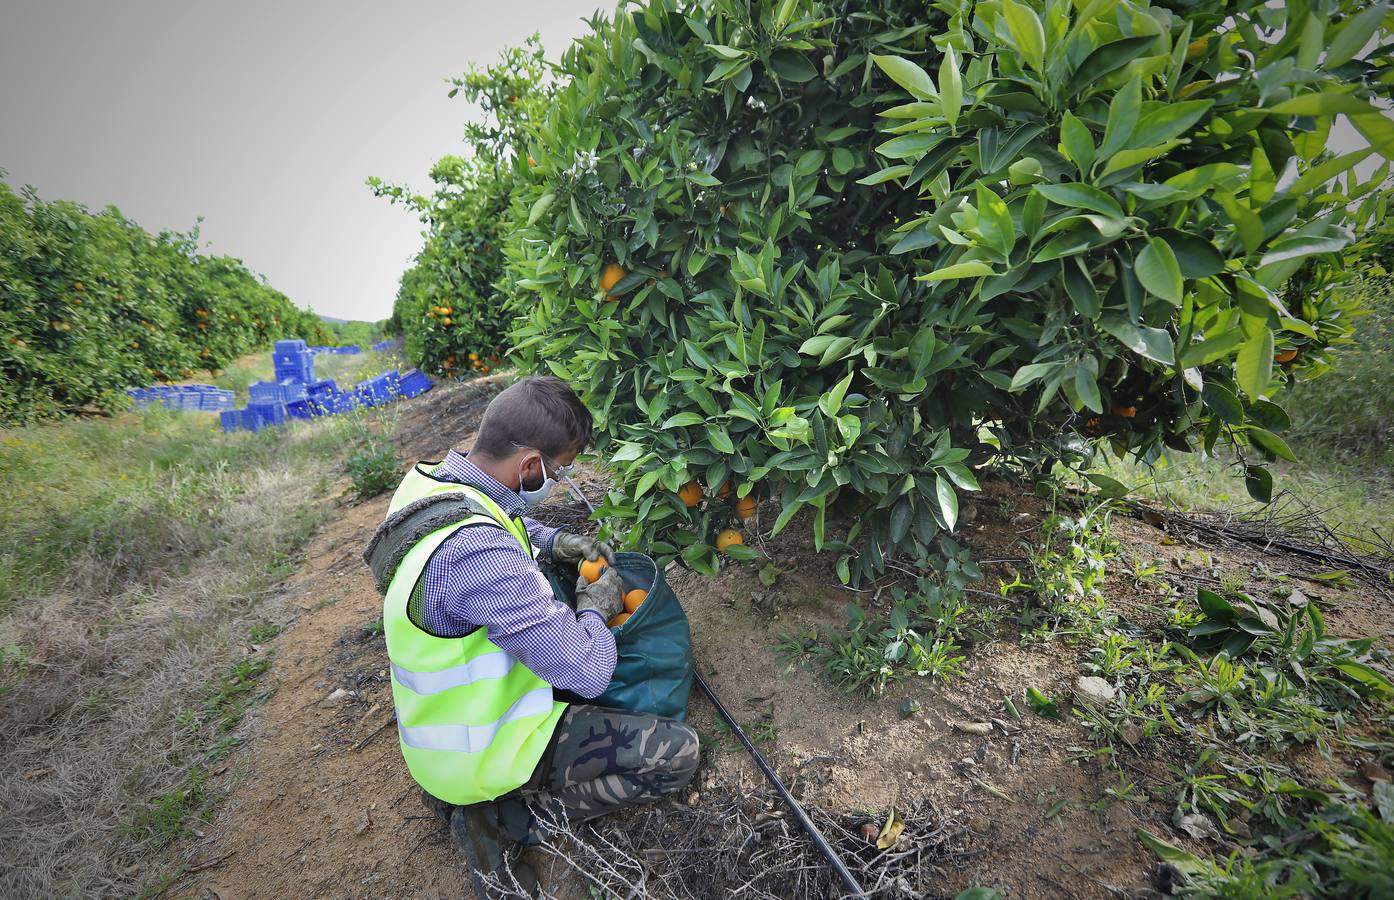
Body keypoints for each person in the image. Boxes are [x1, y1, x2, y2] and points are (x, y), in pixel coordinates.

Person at [363, 375, 699, 896]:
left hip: (437, 743)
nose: (555, 482)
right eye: (558, 471)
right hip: (485, 755)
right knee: (675, 753)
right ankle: (506, 820)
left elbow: (494, 521)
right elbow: (587, 671)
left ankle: (479, 806)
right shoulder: (478, 557)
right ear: (530, 465)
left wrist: (553, 539)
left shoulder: (431, 485)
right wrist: (594, 608)